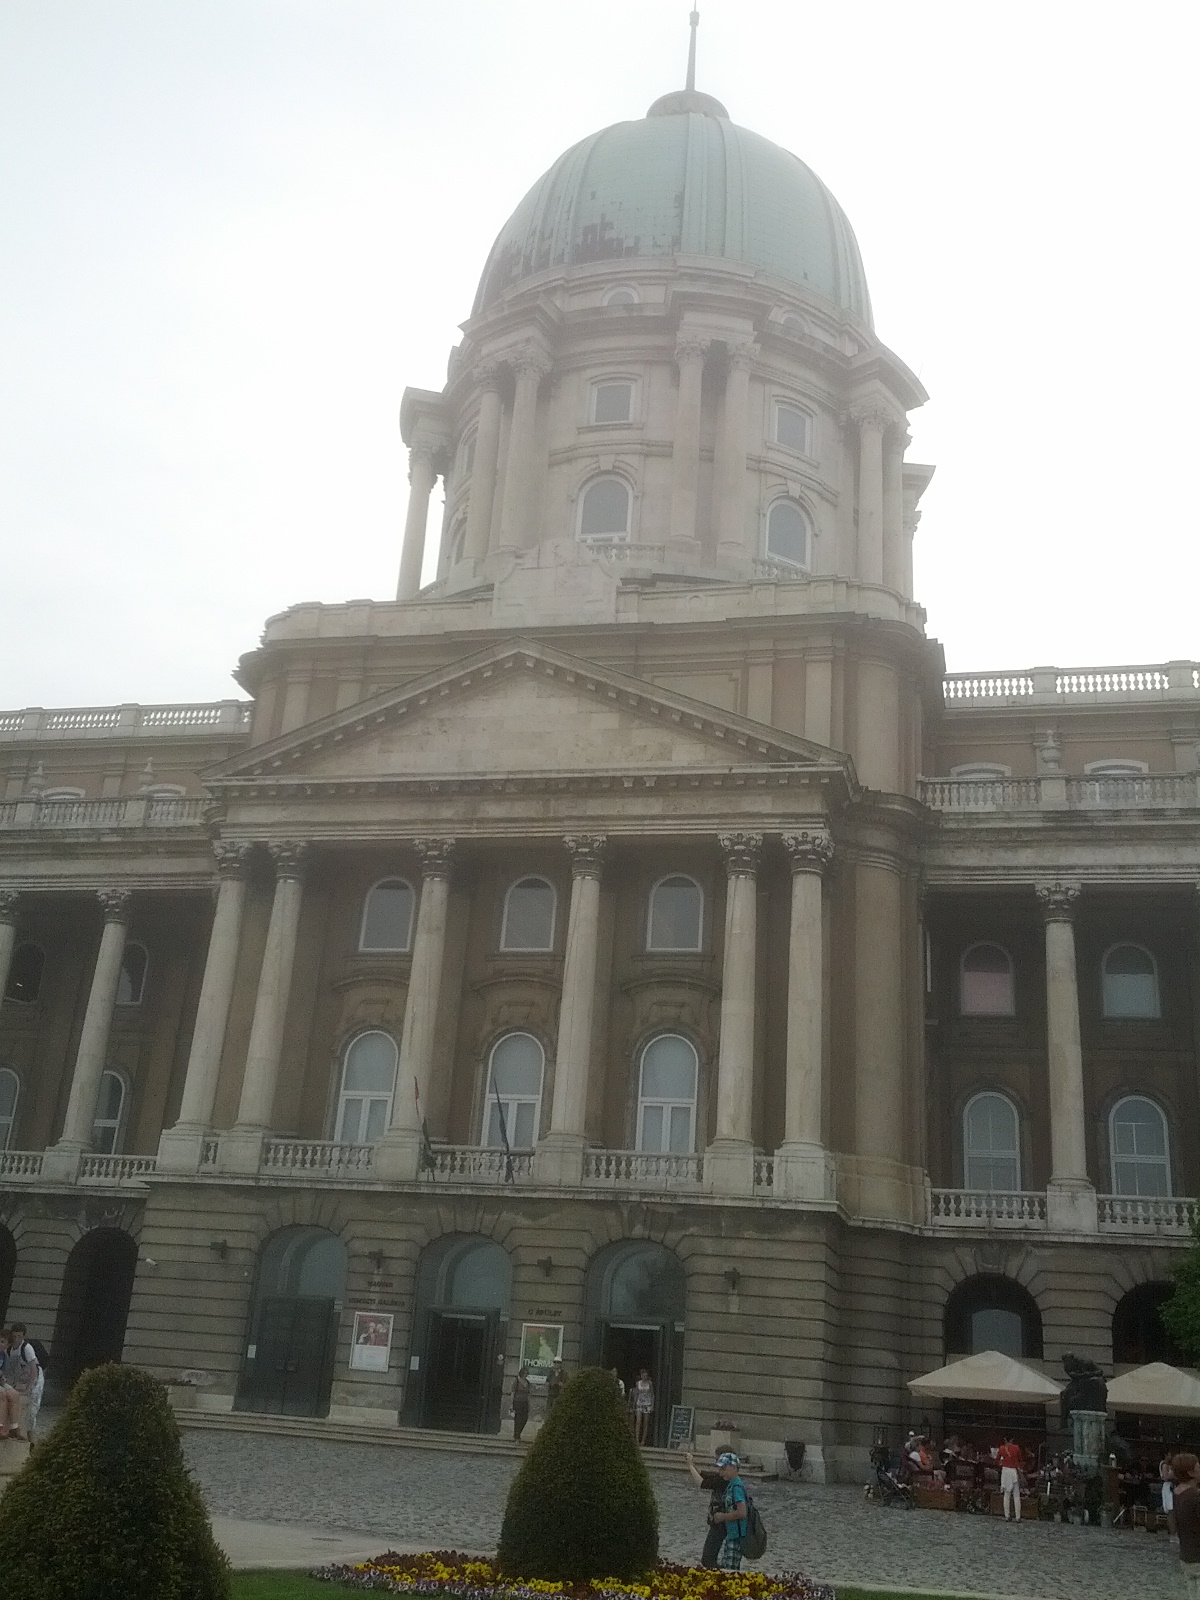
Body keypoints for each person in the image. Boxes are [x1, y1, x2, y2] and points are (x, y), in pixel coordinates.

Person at [686, 1450, 728, 1568]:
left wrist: (690, 1466)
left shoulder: (724, 1479)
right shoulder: (722, 1476)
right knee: (710, 1557)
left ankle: (721, 1575)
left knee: (708, 1559)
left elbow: (702, 1483)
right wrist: (692, 1464)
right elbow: (705, 1475)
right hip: (718, 1522)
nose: (717, 1466)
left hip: (720, 1523)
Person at [710, 1451, 749, 1570]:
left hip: (737, 1536)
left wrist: (723, 1517)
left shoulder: (736, 1487)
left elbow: (742, 1512)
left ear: (733, 1467)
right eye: (720, 1469)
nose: (721, 1472)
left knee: (730, 1572)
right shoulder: (731, 1485)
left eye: (724, 1468)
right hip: (731, 1534)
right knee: (726, 1567)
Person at [1172, 1451, 1200, 1596]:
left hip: (1186, 1554)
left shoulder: (1177, 1492)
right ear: (1191, 1472)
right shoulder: (1195, 1495)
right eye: (1198, 1466)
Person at [997, 1434, 1022, 1522]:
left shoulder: (1001, 1448)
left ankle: (1007, 1516)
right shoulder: (1016, 1448)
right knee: (1016, 1494)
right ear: (1012, 1439)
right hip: (1013, 1471)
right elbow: (1020, 1459)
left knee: (1006, 1494)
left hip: (1005, 1471)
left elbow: (997, 1460)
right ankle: (1018, 1517)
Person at [0, 1329, 19, 1438]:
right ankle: (0, 1426)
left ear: (8, 1345)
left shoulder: (5, 1357)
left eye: (2, 1342)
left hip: (1, 1381)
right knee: (1, 1394)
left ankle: (14, 1427)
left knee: (14, 1394)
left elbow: (5, 1373)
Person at [632, 1367, 654, 1446]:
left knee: (645, 1422)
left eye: (646, 1375)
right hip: (639, 1403)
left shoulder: (649, 1383)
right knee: (638, 1421)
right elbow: (636, 1394)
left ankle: (643, 1440)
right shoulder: (638, 1383)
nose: (644, 1377)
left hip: (647, 1404)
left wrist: (652, 1405)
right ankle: (637, 1439)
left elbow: (652, 1394)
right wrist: (634, 1405)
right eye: (643, 1375)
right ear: (641, 1375)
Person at [511, 1365, 531, 1443]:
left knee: (524, 1419)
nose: (526, 1375)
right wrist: (511, 1404)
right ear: (521, 1373)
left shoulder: (528, 1382)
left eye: (527, 1373)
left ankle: (517, 1433)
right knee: (518, 1419)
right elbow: (513, 1392)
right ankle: (517, 1436)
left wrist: (529, 1404)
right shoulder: (516, 1380)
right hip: (517, 1402)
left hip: (525, 1402)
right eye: (524, 1373)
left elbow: (529, 1394)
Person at [1162, 1450, 1178, 1542]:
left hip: (1174, 1486)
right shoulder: (1164, 1465)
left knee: (1175, 1510)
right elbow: (1165, 1477)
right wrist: (1171, 1475)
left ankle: (1176, 1532)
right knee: (1170, 1510)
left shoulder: (1173, 1465)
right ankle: (1172, 1534)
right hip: (1168, 1487)